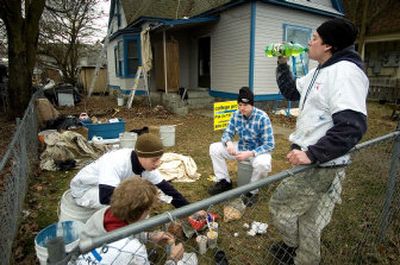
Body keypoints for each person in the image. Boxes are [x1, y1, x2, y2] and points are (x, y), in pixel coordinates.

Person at [269, 18, 368, 265]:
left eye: (313, 38)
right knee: (311, 218)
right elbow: (292, 91)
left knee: (280, 206)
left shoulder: (345, 73)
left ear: (327, 46)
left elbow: (351, 127)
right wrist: (282, 62)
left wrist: (311, 154)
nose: (308, 43)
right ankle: (306, 259)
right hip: (321, 161)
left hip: (320, 164)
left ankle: (290, 247)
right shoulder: (321, 70)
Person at [76, 177, 184, 264]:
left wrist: (148, 236)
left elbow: (123, 232)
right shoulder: (132, 249)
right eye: (149, 209)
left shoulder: (104, 213)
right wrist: (172, 260)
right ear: (142, 211)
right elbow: (124, 240)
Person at [70, 133, 189, 209]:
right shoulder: (116, 161)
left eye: (159, 159)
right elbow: (105, 197)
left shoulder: (147, 165)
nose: (158, 164)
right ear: (141, 156)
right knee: (135, 204)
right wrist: (142, 199)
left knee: (140, 206)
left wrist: (191, 210)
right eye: (155, 160)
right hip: (85, 189)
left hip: (110, 187)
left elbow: (168, 189)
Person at [208, 86, 275, 206]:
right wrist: (228, 143)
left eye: (245, 105)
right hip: (241, 147)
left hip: (258, 151)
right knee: (214, 148)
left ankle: (252, 192)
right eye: (240, 105)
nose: (242, 108)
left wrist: (250, 154)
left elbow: (269, 144)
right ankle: (224, 181)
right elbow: (227, 133)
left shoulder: (262, 117)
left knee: (262, 164)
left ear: (252, 105)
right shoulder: (236, 115)